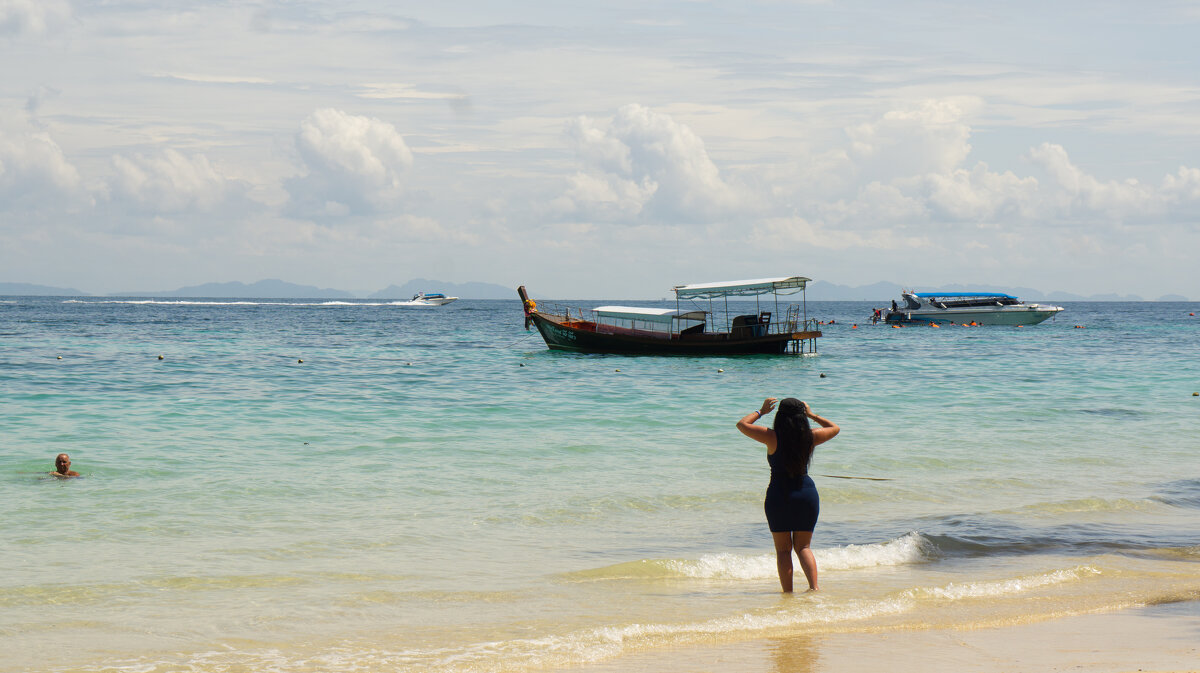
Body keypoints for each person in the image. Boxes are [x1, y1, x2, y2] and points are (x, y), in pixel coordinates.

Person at [736, 397, 840, 592]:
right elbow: (834, 427)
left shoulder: (771, 437)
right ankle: (814, 589)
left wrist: (761, 411)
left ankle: (788, 594)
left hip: (779, 496)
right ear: (802, 417)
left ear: (779, 416)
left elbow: (742, 424)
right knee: (804, 548)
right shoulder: (811, 437)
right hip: (806, 495)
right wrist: (811, 414)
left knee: (784, 550)